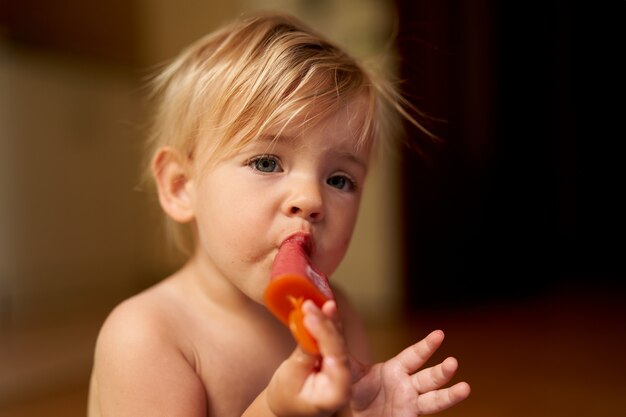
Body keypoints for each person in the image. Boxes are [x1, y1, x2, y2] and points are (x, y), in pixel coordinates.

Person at [88, 10, 471, 417]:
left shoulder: (334, 316)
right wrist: (274, 410)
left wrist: (365, 412)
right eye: (267, 163)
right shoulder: (148, 336)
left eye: (339, 180)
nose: (311, 200)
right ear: (182, 187)